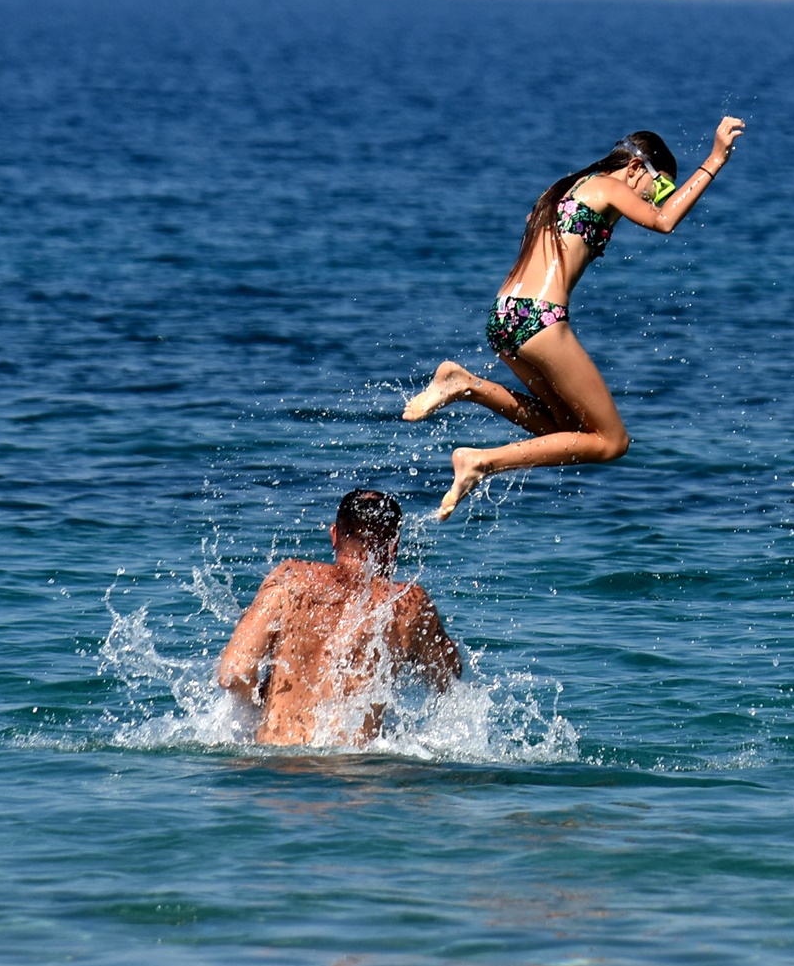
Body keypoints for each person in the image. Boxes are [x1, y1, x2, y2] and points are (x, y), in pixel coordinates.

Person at [403, 117, 747, 519]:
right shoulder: (610, 185)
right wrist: (715, 159)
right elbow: (664, 221)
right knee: (612, 441)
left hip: (505, 317)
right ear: (636, 168)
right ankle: (481, 462)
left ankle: (466, 384)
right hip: (541, 318)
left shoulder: (564, 190)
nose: (657, 198)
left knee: (561, 432)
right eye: (662, 187)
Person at [216, 489, 461, 747]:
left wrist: (259, 711)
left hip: (278, 768)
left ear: (334, 535)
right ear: (394, 545)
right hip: (355, 771)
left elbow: (234, 673)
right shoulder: (408, 603)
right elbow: (448, 679)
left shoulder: (289, 579)